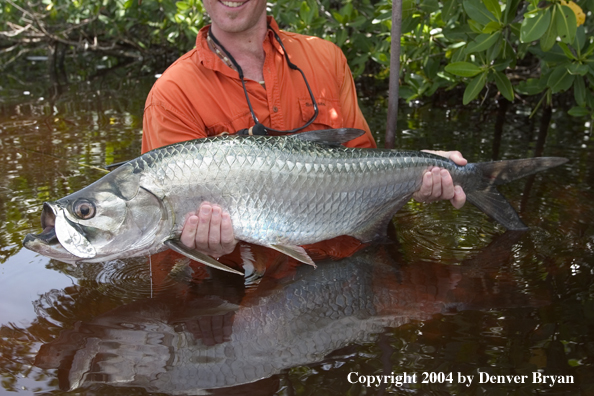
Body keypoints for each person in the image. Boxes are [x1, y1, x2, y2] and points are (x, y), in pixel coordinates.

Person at [142, 0, 467, 262]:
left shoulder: (327, 58)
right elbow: (172, 257)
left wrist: (420, 171)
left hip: (352, 260)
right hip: (252, 291)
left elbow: (366, 164)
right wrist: (201, 247)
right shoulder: (171, 94)